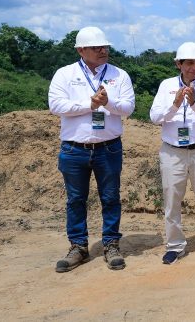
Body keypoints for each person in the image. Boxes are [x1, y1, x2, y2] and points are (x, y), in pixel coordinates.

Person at [48, 26, 135, 272]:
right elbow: (56, 105)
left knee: (110, 198)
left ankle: (111, 244)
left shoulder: (120, 75)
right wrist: (89, 104)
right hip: (74, 149)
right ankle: (78, 247)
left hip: (108, 148)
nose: (103, 50)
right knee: (75, 199)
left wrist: (109, 102)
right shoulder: (65, 74)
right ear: (80, 49)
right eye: (97, 47)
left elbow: (128, 108)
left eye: (105, 46)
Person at [149, 42, 195, 265]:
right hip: (172, 152)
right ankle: (174, 245)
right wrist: (175, 104)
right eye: (189, 62)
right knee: (172, 200)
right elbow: (154, 117)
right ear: (178, 64)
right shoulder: (166, 85)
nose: (194, 67)